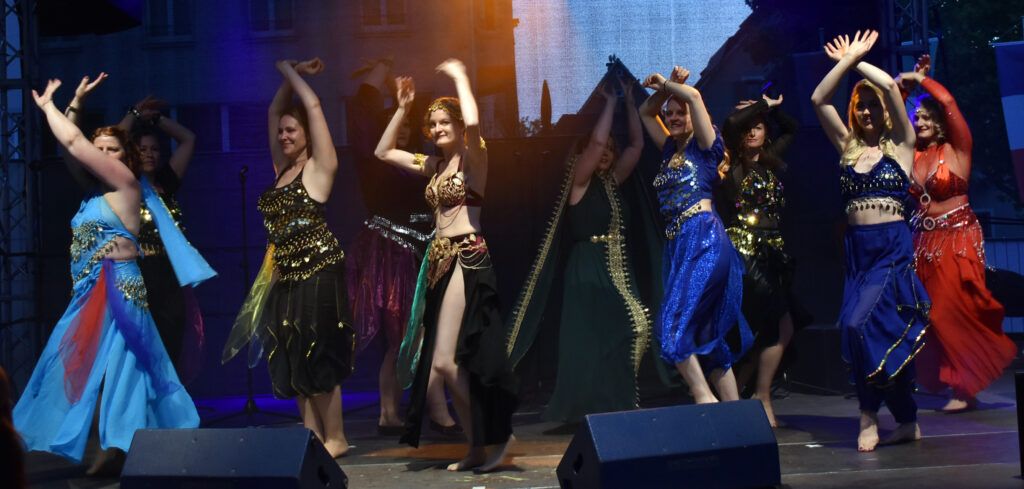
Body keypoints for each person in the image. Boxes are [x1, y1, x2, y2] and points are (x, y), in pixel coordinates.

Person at [14, 77, 200, 472]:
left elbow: (73, 142)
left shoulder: (126, 185)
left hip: (119, 289)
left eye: (111, 150)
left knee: (125, 367)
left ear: (125, 156)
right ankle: (121, 444)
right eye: (97, 150)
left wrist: (48, 107)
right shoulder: (94, 192)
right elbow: (72, 148)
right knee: (75, 366)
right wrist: (75, 103)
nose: (101, 155)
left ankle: (121, 446)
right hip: (87, 293)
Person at [376, 59, 516, 472]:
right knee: (445, 364)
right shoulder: (434, 167)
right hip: (438, 261)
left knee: (446, 363)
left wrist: (460, 77)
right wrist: (402, 108)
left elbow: (473, 123)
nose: (437, 129)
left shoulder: (475, 159)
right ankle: (476, 446)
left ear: (457, 126)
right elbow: (383, 152)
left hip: (466, 256)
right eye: (432, 124)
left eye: (444, 123)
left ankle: (497, 435)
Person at [222, 58, 355, 458]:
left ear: (307, 135)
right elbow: (272, 112)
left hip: (319, 270)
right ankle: (311, 436)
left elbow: (312, 106)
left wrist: (291, 73)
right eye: (281, 131)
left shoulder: (319, 168)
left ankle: (336, 437)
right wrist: (289, 75)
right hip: (285, 274)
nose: (283, 135)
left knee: (318, 351)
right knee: (291, 352)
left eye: (291, 130)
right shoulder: (281, 169)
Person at [507, 76, 655, 423]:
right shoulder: (579, 183)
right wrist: (609, 102)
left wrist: (630, 103)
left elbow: (636, 146)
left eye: (610, 150)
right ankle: (589, 408)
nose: (605, 152)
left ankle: (615, 401)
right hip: (588, 268)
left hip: (616, 267)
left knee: (631, 329)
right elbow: (597, 140)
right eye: (598, 149)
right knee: (590, 340)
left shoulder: (612, 182)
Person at [810, 30, 930, 452]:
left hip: (891, 250)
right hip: (858, 254)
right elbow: (818, 99)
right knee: (873, 335)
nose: (866, 111)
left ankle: (867, 416)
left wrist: (858, 58)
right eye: (859, 105)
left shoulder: (902, 146)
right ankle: (907, 418)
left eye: (872, 105)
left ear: (884, 111)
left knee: (857, 325)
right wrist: (845, 63)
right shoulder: (846, 146)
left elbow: (891, 89)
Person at [346, 58, 460, 436]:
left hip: (428, 252)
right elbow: (372, 134)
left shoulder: (426, 163)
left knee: (421, 336)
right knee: (407, 336)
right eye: (399, 123)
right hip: (394, 255)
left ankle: (403, 412)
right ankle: (408, 413)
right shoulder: (379, 163)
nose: (406, 128)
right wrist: (395, 97)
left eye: (412, 124)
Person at [898, 55, 1016, 412]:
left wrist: (921, 80)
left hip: (958, 238)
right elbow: (893, 123)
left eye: (926, 116)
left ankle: (964, 388)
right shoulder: (913, 154)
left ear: (939, 120)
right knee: (930, 315)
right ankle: (959, 385)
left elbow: (948, 101)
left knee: (951, 310)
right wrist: (902, 90)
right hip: (923, 243)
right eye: (916, 117)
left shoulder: (958, 148)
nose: (919, 121)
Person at [638, 66, 752, 405]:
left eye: (680, 112)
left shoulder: (705, 146)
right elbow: (645, 112)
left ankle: (704, 398)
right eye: (669, 113)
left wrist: (669, 85)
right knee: (704, 335)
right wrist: (664, 91)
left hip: (704, 238)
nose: (673, 118)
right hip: (678, 245)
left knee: (669, 326)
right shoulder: (668, 150)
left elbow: (695, 96)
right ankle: (736, 414)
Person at [718, 93, 812, 427]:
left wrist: (774, 106)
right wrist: (761, 107)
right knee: (763, 325)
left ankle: (757, 393)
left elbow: (792, 128)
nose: (752, 131)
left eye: (758, 126)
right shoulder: (732, 165)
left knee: (779, 326)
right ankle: (744, 396)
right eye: (747, 127)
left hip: (773, 254)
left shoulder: (770, 160)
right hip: (745, 253)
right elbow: (732, 124)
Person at [118, 96, 206, 384]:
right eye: (142, 149)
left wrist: (155, 118)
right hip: (137, 275)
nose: (149, 154)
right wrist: (134, 114)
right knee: (139, 349)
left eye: (155, 149)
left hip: (169, 276)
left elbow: (188, 139)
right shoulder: (123, 183)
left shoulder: (167, 181)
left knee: (171, 343)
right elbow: (111, 145)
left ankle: (167, 404)